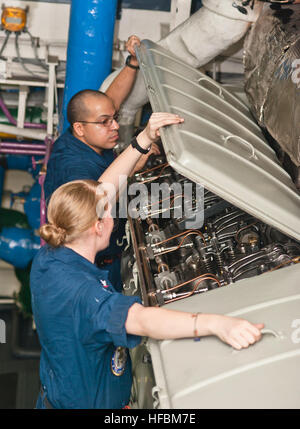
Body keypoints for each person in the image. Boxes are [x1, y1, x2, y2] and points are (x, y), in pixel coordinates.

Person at [31, 114, 264, 409]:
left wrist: (144, 139)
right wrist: (217, 324)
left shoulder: (49, 257)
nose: (111, 209)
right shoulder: (86, 297)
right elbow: (142, 320)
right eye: (107, 211)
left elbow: (104, 188)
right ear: (98, 227)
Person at [44, 35, 160, 292]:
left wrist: (132, 62)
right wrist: (136, 161)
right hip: (97, 267)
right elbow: (100, 200)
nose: (116, 126)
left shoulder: (82, 132)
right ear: (80, 128)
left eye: (114, 118)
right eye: (106, 121)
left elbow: (112, 99)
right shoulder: (75, 169)